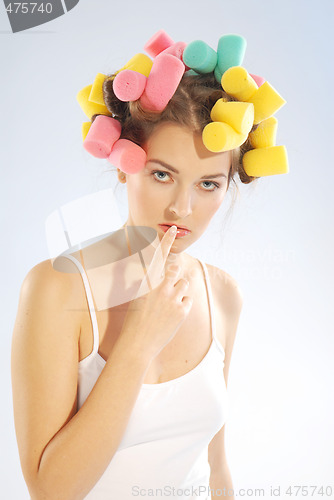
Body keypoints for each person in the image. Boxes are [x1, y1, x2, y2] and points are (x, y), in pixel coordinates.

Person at [11, 31, 288, 500]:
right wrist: (138, 344)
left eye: (208, 185)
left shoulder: (223, 295)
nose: (181, 208)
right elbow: (50, 490)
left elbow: (216, 469)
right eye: (162, 174)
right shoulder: (57, 288)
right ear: (124, 163)